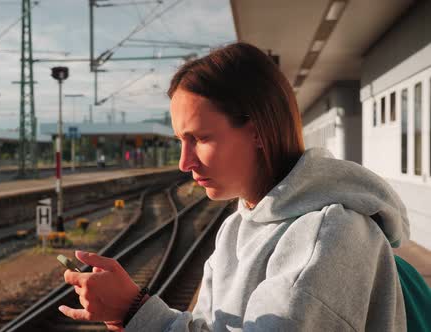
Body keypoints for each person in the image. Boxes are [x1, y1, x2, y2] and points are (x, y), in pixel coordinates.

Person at [60, 43, 409, 331]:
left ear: (258, 130)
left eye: (200, 138)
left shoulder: (329, 234)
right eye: (181, 140)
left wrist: (138, 312)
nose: (184, 162)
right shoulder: (235, 229)